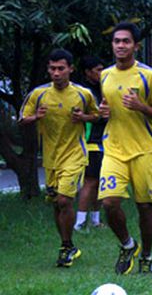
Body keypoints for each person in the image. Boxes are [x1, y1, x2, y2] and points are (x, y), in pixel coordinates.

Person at [99, 22, 152, 274]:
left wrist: (142, 107)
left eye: (126, 41)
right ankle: (128, 245)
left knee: (145, 207)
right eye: (117, 41)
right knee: (109, 203)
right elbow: (106, 105)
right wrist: (102, 111)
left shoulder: (148, 76)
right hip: (114, 149)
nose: (120, 45)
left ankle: (147, 255)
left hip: (144, 149)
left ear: (136, 46)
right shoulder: (105, 75)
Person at [19, 49, 99, 267]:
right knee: (57, 204)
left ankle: (66, 247)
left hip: (75, 155)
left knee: (64, 200)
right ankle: (68, 245)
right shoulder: (39, 94)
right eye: (52, 69)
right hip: (50, 158)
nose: (56, 73)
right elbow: (22, 118)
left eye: (61, 68)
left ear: (70, 69)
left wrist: (84, 117)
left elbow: (97, 114)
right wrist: (36, 117)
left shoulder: (83, 94)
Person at [74, 55, 106, 231]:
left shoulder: (104, 89)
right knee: (90, 181)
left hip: (106, 140)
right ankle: (79, 222)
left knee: (101, 181)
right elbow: (82, 117)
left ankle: (95, 219)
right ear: (87, 73)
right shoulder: (83, 92)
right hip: (91, 141)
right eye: (98, 70)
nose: (101, 73)